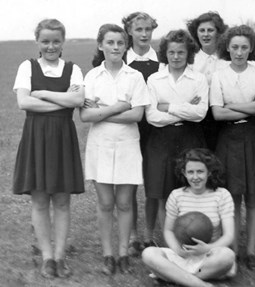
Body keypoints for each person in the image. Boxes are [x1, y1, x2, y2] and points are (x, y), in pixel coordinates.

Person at [12, 19, 85, 278]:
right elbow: (24, 103)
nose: (51, 46)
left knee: (63, 201)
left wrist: (41, 93)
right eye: (45, 41)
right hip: (37, 137)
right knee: (41, 200)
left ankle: (61, 256)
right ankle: (46, 257)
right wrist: (62, 102)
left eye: (56, 41)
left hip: (63, 137)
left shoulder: (73, 69)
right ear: (37, 42)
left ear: (63, 42)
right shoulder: (27, 67)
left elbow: (78, 100)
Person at [80, 24, 150, 275]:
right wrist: (119, 107)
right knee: (106, 202)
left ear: (126, 46)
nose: (116, 47)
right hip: (100, 145)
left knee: (123, 203)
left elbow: (138, 114)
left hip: (127, 145)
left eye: (120, 43)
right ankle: (107, 253)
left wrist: (103, 112)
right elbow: (86, 116)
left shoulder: (135, 77)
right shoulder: (91, 77)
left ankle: (123, 253)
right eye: (110, 43)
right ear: (101, 45)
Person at [210, 25, 255, 269]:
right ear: (227, 47)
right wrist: (250, 105)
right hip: (230, 138)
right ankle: (233, 249)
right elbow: (217, 113)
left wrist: (232, 106)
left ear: (251, 48)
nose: (239, 52)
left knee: (254, 197)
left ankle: (251, 250)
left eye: (244, 47)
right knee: (233, 198)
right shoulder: (219, 75)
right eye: (235, 47)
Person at [144, 29, 208, 243]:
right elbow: (152, 116)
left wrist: (168, 107)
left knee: (188, 193)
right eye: (171, 52)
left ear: (188, 53)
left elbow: (200, 114)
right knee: (164, 195)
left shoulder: (198, 79)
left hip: (190, 139)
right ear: (165, 53)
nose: (176, 57)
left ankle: (189, 241)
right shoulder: (155, 79)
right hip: (161, 141)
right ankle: (168, 245)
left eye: (181, 52)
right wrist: (185, 109)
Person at [142, 148, 236, 287]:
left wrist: (207, 248)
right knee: (148, 254)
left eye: (200, 171)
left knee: (227, 256)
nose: (195, 177)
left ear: (209, 172)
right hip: (182, 255)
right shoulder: (176, 195)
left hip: (208, 255)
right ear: (184, 173)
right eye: (190, 172)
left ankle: (174, 277)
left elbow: (229, 235)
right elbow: (168, 230)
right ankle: (201, 284)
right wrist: (177, 250)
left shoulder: (222, 195)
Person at [122, 11, 160, 254]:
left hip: (156, 130)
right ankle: (133, 236)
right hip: (129, 127)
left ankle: (149, 235)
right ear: (129, 32)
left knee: (153, 183)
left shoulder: (163, 60)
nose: (144, 34)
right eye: (139, 30)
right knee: (131, 183)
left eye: (148, 29)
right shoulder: (122, 60)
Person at [187, 11, 229, 151]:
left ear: (219, 32)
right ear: (196, 33)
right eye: (202, 30)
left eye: (210, 30)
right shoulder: (191, 60)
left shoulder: (228, 60)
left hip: (224, 117)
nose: (205, 34)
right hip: (198, 119)